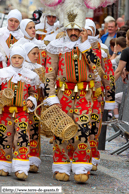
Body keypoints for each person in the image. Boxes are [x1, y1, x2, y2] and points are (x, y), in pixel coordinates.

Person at [44, 0, 115, 183]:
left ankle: (81, 165)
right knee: (62, 131)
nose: (74, 33)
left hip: (86, 95)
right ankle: (61, 165)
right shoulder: (56, 46)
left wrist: (85, 46)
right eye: (71, 30)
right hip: (63, 95)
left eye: (77, 30)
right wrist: (51, 97)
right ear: (66, 29)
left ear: (82, 29)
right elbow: (49, 74)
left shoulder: (94, 46)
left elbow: (99, 69)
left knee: (84, 130)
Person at [0, 46, 39, 180]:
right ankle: (3, 165)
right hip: (5, 113)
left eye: (20, 58)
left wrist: (31, 100)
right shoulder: (3, 74)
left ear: (24, 59)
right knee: (4, 138)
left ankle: (21, 167)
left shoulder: (30, 75)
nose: (17, 60)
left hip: (22, 112)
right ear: (10, 58)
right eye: (14, 57)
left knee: (22, 138)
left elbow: (34, 93)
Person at [23, 42, 45, 172]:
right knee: (21, 132)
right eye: (34, 53)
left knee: (34, 132)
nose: (37, 56)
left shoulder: (40, 69)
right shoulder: (20, 67)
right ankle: (20, 157)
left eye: (38, 53)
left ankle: (33, 159)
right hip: (21, 105)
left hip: (36, 106)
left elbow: (41, 90)